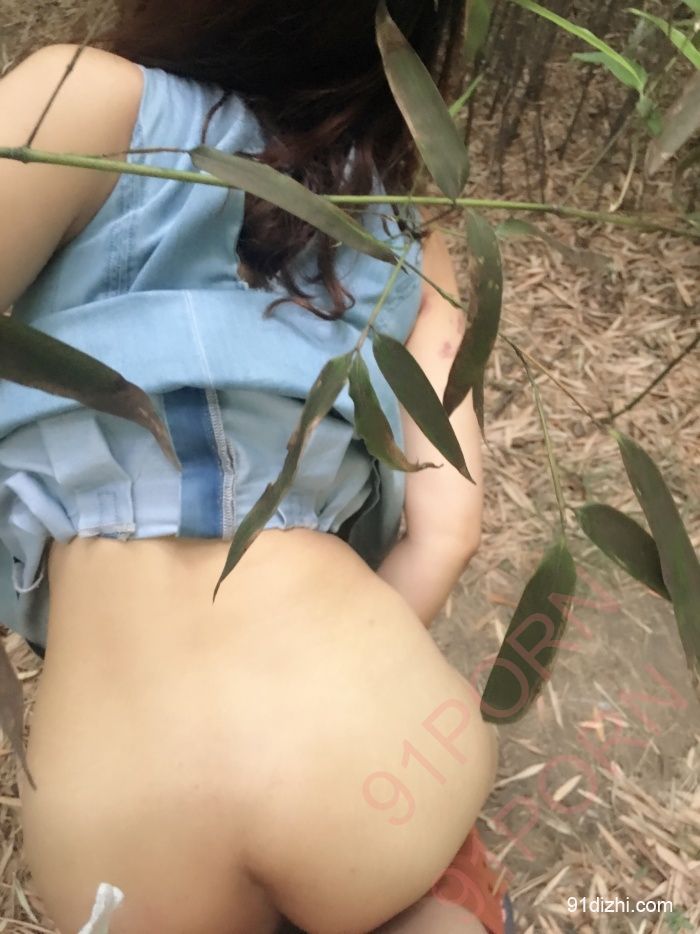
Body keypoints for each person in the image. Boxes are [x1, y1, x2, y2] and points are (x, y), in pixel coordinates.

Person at [0, 2, 513, 931]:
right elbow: (449, 532)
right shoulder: (409, 243)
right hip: (384, 762)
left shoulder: (84, 106)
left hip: (122, 848)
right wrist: (323, 715)